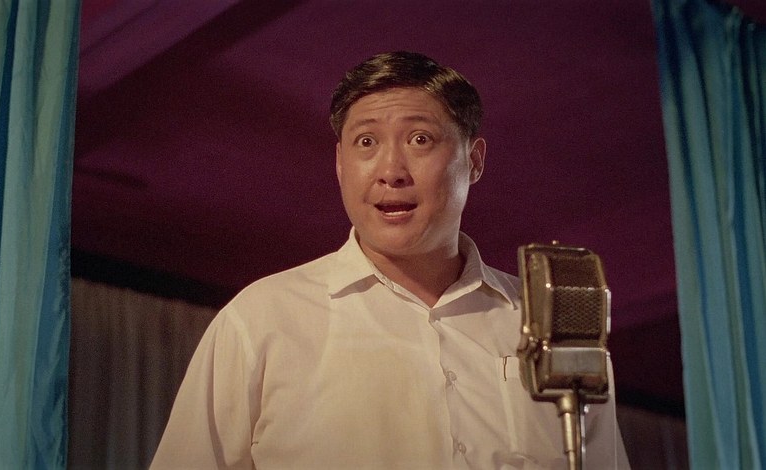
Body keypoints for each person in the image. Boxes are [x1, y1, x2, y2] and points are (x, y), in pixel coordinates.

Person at [151, 51, 630, 469]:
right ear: (340, 164)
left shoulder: (550, 323)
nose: (391, 171)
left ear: (474, 160)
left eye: (420, 139)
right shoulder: (262, 319)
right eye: (366, 142)